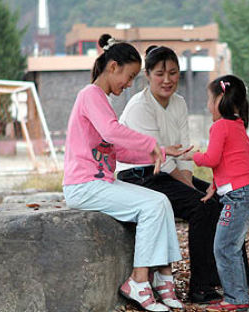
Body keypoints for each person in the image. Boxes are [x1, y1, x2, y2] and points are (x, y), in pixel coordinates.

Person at [116, 46, 249, 304]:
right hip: (140, 174)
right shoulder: (139, 106)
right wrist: (188, 185)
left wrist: (188, 179)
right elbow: (159, 157)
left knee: (225, 199)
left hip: (171, 172)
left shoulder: (179, 103)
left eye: (173, 73)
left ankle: (240, 274)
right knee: (201, 207)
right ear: (147, 75)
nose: (167, 80)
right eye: (160, 74)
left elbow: (183, 146)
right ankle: (200, 287)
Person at [62, 34, 186, 312]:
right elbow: (111, 132)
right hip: (83, 186)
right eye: (128, 77)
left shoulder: (101, 100)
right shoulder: (90, 95)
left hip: (100, 182)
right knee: (152, 205)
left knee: (161, 201)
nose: (129, 84)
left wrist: (160, 151)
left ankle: (163, 276)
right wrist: (151, 143)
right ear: (113, 66)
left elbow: (115, 150)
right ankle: (138, 281)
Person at [182, 75, 249, 312]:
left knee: (224, 248)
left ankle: (236, 300)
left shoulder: (219, 127)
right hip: (246, 195)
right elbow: (232, 163)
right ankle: (237, 297)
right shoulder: (238, 126)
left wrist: (190, 157)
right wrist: (214, 187)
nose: (207, 105)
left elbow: (213, 159)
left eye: (209, 99)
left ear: (221, 99)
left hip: (238, 198)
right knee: (229, 247)